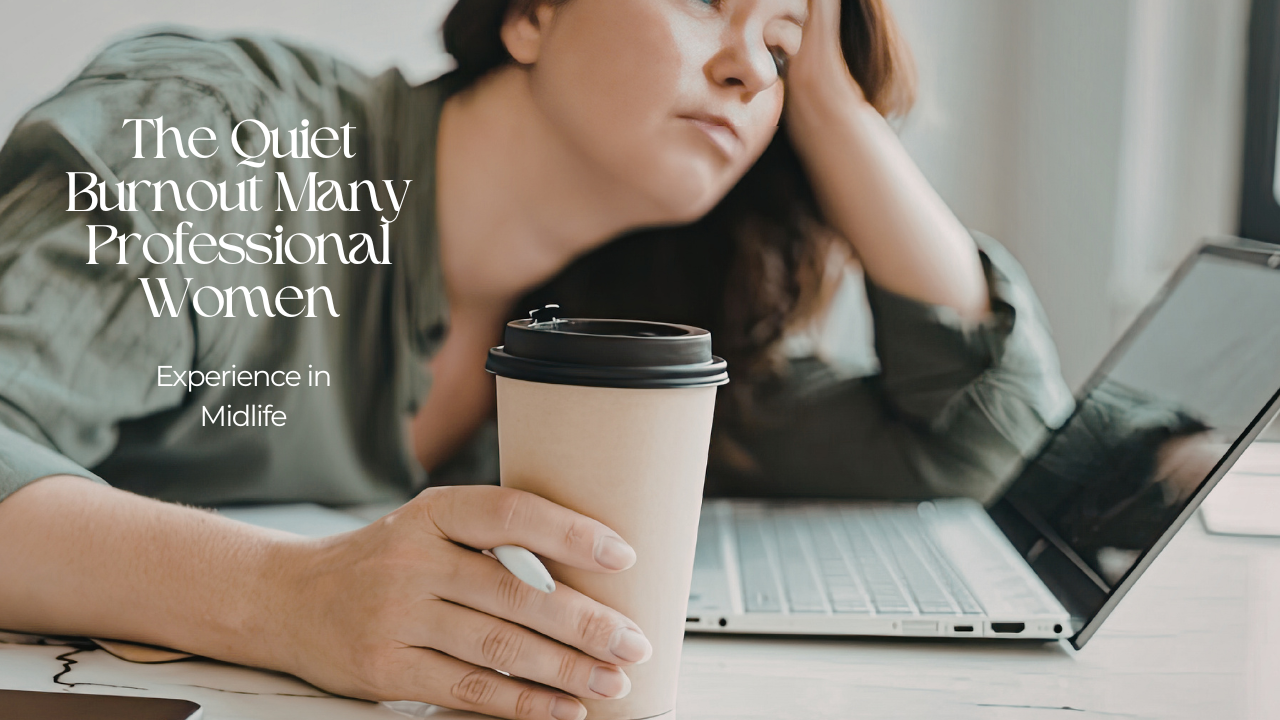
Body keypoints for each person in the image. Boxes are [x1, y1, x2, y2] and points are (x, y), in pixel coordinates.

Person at [0, 1, 1073, 719]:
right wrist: (291, 599)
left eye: (782, 51)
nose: (750, 68)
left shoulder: (628, 335)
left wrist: (834, 111)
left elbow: (980, 443)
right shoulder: (220, 141)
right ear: (531, 13)